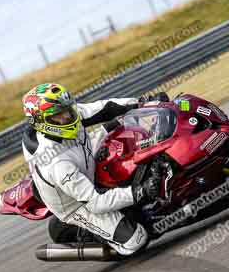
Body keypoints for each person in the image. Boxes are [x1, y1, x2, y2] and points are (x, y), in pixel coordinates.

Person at [21, 83, 164, 257]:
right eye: (58, 115)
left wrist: (143, 102)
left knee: (123, 124)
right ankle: (94, 234)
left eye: (67, 110)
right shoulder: (56, 164)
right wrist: (141, 191)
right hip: (75, 203)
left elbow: (105, 108)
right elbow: (95, 202)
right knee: (136, 239)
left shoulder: (66, 118)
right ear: (42, 122)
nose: (67, 116)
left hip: (85, 154)